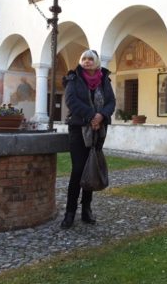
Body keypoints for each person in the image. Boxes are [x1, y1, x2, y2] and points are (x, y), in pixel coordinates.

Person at [60, 49, 116, 229]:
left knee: (91, 167)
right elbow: (71, 101)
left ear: (97, 62)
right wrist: (92, 115)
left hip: (98, 130)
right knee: (78, 170)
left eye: (90, 59)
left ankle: (86, 209)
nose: (87, 61)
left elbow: (111, 102)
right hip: (79, 129)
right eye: (84, 58)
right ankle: (70, 213)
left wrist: (101, 116)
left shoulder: (104, 80)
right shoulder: (73, 79)